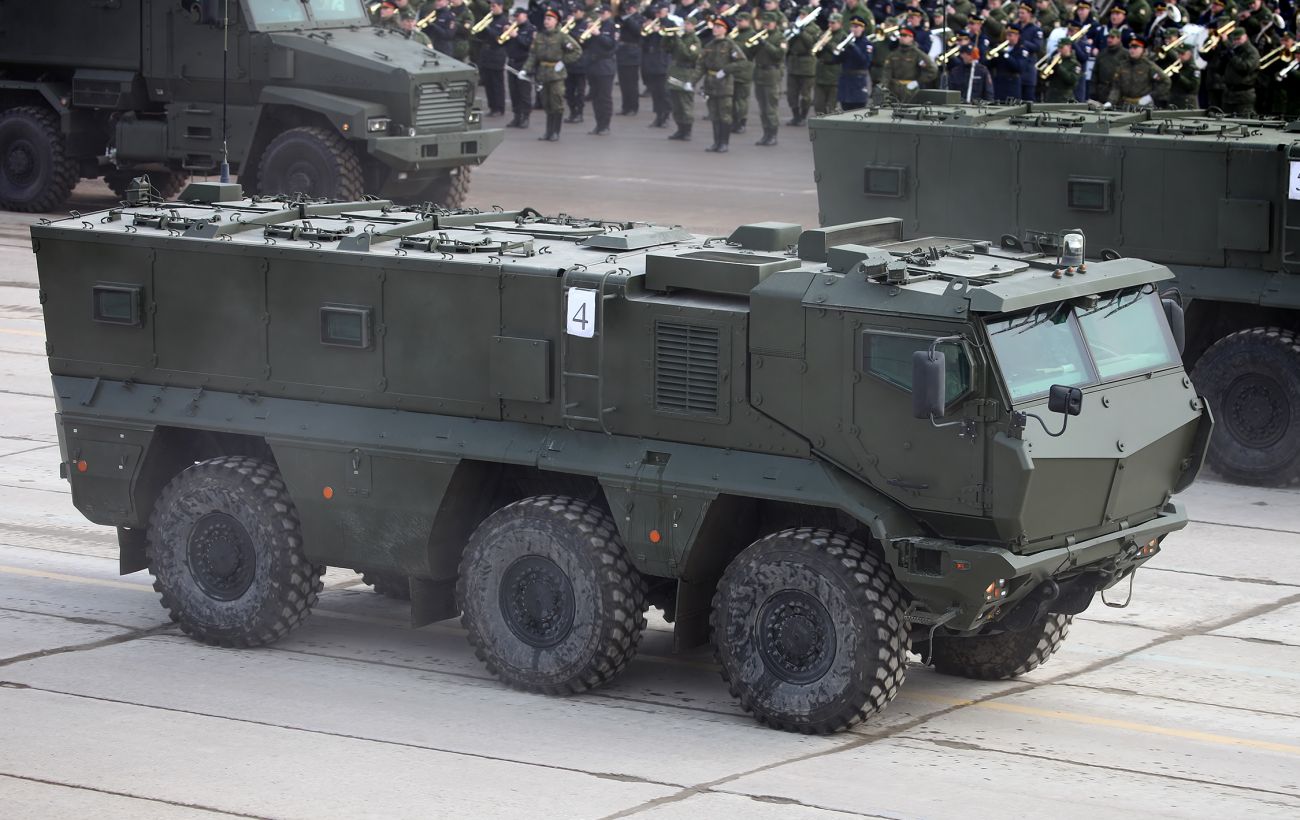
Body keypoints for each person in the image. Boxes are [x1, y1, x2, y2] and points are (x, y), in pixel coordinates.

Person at [524, 8, 583, 140]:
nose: (546, 21)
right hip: (543, 73)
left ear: (556, 21)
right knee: (546, 103)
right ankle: (548, 132)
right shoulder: (540, 36)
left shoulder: (562, 37)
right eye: (545, 19)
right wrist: (525, 69)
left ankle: (555, 132)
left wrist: (563, 61)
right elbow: (533, 55)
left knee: (556, 103)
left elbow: (577, 51)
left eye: (549, 19)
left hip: (556, 75)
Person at [701, 16, 749, 151]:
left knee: (725, 115)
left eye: (718, 27)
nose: (715, 29)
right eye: (714, 27)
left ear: (725, 29)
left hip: (724, 84)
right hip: (711, 83)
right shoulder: (709, 45)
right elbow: (701, 65)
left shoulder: (730, 45)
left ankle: (724, 143)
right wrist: (691, 81)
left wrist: (726, 70)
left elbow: (742, 62)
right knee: (714, 114)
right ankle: (716, 143)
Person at [751, 11, 789, 146]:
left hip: (772, 74)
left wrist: (765, 43)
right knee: (762, 108)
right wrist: (755, 43)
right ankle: (765, 134)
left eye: (769, 24)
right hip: (759, 73)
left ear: (775, 23)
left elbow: (779, 54)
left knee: (770, 107)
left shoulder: (780, 38)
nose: (766, 26)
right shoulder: (760, 35)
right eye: (764, 23)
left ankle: (773, 135)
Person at [583, 6, 619, 135]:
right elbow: (585, 45)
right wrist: (587, 33)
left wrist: (598, 34)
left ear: (609, 13)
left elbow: (611, 44)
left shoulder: (613, 26)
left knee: (604, 97)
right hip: (593, 65)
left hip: (605, 65)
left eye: (602, 13)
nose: (600, 15)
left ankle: (605, 125)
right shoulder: (596, 25)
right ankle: (598, 124)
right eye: (599, 13)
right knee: (596, 97)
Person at [666, 18, 703, 140]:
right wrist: (668, 37)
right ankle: (680, 129)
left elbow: (689, 55)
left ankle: (687, 130)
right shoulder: (680, 38)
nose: (685, 26)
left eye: (688, 24)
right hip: (675, 72)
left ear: (694, 26)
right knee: (676, 103)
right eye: (685, 23)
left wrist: (678, 39)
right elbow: (666, 48)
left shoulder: (695, 40)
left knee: (685, 103)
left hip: (687, 73)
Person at [1108, 34, 1169, 107]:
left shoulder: (1148, 66)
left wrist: (1150, 97)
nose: (1132, 50)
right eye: (1130, 47)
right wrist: (1110, 102)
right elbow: (1116, 87)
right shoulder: (1123, 65)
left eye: (1135, 47)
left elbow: (1166, 82)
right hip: (1124, 105)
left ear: (1143, 49)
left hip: (1143, 106)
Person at [786, 7, 823, 125]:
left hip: (807, 64)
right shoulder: (794, 26)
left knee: (805, 95)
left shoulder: (815, 29)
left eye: (804, 14)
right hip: (793, 63)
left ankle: (803, 116)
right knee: (791, 94)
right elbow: (787, 43)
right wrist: (792, 31)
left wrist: (802, 32)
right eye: (801, 14)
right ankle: (795, 116)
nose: (801, 16)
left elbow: (811, 44)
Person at [882, 26, 937, 101]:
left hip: (910, 90)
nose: (902, 38)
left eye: (905, 35)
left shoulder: (918, 54)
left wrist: (918, 82)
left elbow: (932, 70)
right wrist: (884, 86)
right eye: (901, 35)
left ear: (911, 37)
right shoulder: (894, 54)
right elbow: (887, 72)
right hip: (894, 90)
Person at [832, 15, 874, 110]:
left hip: (858, 81)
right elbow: (836, 60)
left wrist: (854, 47)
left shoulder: (867, 44)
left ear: (862, 28)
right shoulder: (846, 42)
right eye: (852, 27)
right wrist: (840, 50)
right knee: (845, 109)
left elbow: (865, 62)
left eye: (856, 27)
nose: (853, 29)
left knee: (858, 111)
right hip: (845, 80)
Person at [476, 0, 510, 117]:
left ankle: (499, 108)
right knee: (488, 83)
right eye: (491, 6)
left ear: (501, 6)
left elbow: (500, 39)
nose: (491, 8)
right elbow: (480, 36)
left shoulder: (504, 22)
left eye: (494, 6)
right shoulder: (489, 19)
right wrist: (480, 28)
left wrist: (488, 29)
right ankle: (492, 107)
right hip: (486, 53)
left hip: (497, 54)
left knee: (497, 83)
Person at [642, 4, 673, 128]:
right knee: (655, 92)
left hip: (663, 61)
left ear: (666, 11)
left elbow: (671, 39)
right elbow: (643, 42)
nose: (657, 15)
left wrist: (659, 31)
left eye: (660, 12)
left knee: (664, 91)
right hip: (652, 61)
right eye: (656, 12)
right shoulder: (653, 23)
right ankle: (658, 115)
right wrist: (646, 30)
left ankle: (666, 116)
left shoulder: (670, 24)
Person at [503, 7, 535, 128]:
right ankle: (516, 116)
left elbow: (528, 45)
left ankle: (525, 117)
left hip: (524, 63)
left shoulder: (531, 29)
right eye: (515, 16)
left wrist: (516, 36)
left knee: (524, 92)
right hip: (512, 62)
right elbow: (503, 43)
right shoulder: (514, 27)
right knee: (514, 92)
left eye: (518, 16)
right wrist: (505, 33)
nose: (516, 18)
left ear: (525, 15)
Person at [1221, 25, 1260, 115]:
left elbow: (1246, 67)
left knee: (1242, 119)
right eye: (1234, 39)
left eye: (1239, 39)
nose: (1236, 41)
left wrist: (1233, 57)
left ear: (1245, 37)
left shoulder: (1252, 52)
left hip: (1243, 95)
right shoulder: (1235, 49)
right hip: (1229, 94)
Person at [616, 3, 645, 116]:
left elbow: (638, 31)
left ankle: (633, 107)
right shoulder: (623, 18)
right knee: (623, 82)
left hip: (633, 51)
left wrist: (628, 18)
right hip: (622, 51)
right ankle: (625, 106)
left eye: (630, 8)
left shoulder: (640, 18)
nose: (628, 10)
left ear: (635, 8)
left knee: (632, 83)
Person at [814, 13, 845, 115]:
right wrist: (819, 44)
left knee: (832, 106)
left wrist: (826, 43)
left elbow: (838, 51)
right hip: (821, 73)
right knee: (818, 105)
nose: (830, 25)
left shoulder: (843, 36)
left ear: (840, 24)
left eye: (833, 23)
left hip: (834, 74)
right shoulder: (826, 34)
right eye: (829, 23)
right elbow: (817, 54)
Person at [730, 14, 757, 133]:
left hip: (745, 70)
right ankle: (734, 121)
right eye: (737, 21)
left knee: (741, 99)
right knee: (732, 99)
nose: (738, 23)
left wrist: (733, 46)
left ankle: (742, 123)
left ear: (748, 21)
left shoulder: (752, 35)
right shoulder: (735, 33)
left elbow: (747, 51)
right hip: (733, 70)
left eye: (740, 21)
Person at [1090, 26, 1126, 104]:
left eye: (1112, 37)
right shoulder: (1102, 53)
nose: (1109, 40)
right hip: (1102, 93)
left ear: (1119, 39)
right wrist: (1093, 91)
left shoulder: (1125, 55)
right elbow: (1095, 73)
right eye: (1108, 37)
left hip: (1119, 95)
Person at [1166, 43, 1202, 109]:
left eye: (1182, 54)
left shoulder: (1194, 69)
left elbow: (1193, 87)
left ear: (1189, 54)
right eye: (1178, 54)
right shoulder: (1178, 66)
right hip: (1174, 101)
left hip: (1188, 103)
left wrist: (1179, 76)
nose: (1180, 56)